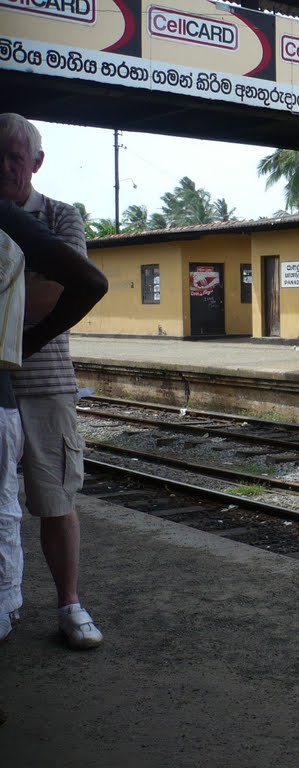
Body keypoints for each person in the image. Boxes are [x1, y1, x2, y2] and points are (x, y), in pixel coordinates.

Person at [0, 113, 104, 648]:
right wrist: (31, 288)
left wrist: (17, 300)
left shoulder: (61, 216)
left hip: (44, 382)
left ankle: (70, 604)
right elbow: (40, 291)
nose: (5, 166)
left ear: (36, 163)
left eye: (15, 157)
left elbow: (61, 293)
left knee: (56, 499)